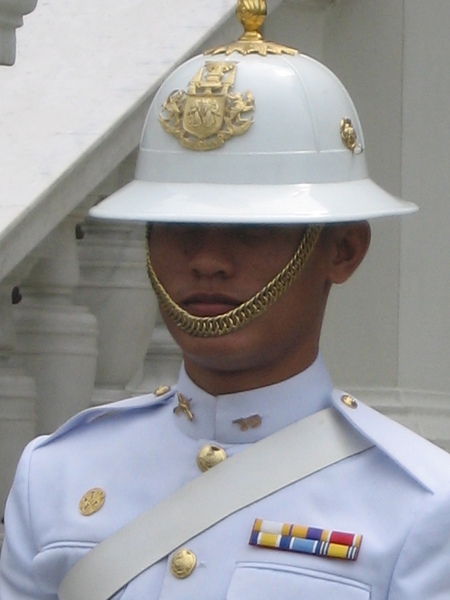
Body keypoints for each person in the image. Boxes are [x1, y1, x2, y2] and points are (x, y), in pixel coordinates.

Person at [2, 1, 450, 598]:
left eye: (251, 230)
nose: (208, 259)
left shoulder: (421, 506)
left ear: (343, 250)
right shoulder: (57, 473)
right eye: (179, 227)